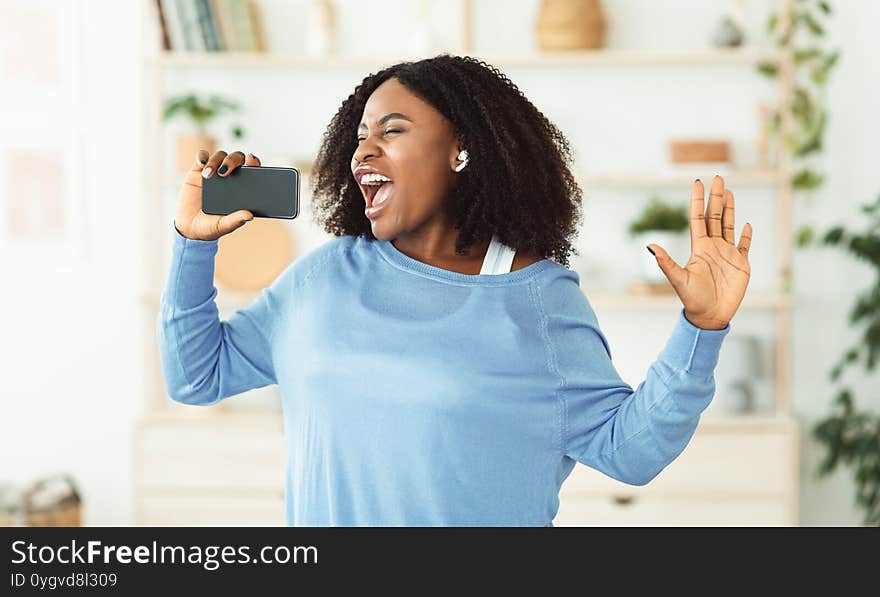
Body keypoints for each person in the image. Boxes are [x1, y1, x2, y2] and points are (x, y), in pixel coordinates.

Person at [157, 54, 752, 526]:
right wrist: (193, 243)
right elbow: (196, 376)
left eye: (392, 131)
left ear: (461, 148)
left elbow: (631, 452)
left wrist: (701, 327)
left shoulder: (537, 302)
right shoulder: (324, 277)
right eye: (361, 136)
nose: (364, 151)